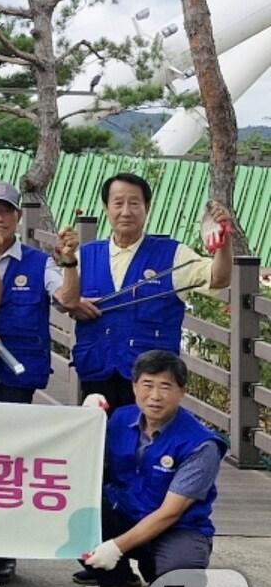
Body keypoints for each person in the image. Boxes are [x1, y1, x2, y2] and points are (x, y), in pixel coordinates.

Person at [54, 172, 235, 409]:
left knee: (148, 444)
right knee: (100, 442)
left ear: (146, 208)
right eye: (118, 203)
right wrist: (73, 294)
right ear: (106, 207)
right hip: (97, 374)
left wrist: (223, 242)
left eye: (134, 203)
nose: (126, 211)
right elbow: (62, 299)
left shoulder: (174, 254)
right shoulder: (85, 255)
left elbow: (219, 278)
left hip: (153, 384)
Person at [0, 181, 63, 586]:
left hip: (14, 378)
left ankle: (2, 552)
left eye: (6, 211)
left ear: (19, 218)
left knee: (7, 465)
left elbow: (67, 298)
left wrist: (70, 266)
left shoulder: (41, 264)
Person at [80, 350, 226, 587]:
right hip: (124, 512)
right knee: (75, 514)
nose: (155, 396)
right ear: (134, 386)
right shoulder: (119, 418)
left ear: (182, 392)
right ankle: (119, 583)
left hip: (176, 527)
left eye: (165, 387)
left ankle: (169, 583)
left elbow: (171, 513)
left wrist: (115, 547)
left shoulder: (201, 444)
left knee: (180, 575)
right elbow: (78, 463)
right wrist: (87, 421)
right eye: (147, 385)